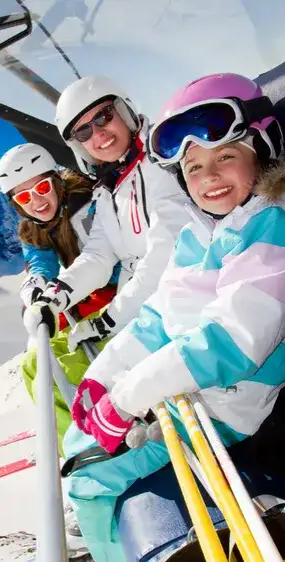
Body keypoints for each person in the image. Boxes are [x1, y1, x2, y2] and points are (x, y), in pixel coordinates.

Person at [60, 72, 285, 562]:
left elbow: (234, 340)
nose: (209, 177)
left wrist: (126, 399)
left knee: (88, 481)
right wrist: (101, 380)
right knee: (79, 447)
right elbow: (158, 317)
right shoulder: (206, 233)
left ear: (263, 150)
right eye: (193, 167)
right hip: (189, 398)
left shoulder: (270, 225)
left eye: (226, 156)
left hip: (227, 411)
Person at [23, 76, 194, 358]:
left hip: (177, 306)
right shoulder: (108, 188)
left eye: (104, 117)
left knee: (70, 372)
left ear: (124, 111)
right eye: (83, 132)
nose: (98, 134)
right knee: (51, 363)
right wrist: (55, 298)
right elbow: (98, 256)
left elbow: (168, 252)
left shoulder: (160, 159)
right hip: (142, 310)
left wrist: (111, 319)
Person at [0, 143, 119, 448]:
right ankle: (72, 439)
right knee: (33, 364)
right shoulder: (33, 229)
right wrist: (35, 293)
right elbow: (39, 266)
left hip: (115, 294)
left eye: (42, 187)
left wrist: (60, 296)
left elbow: (103, 258)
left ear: (56, 180)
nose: (36, 201)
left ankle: (91, 439)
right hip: (80, 299)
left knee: (62, 366)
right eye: (24, 197)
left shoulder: (86, 205)